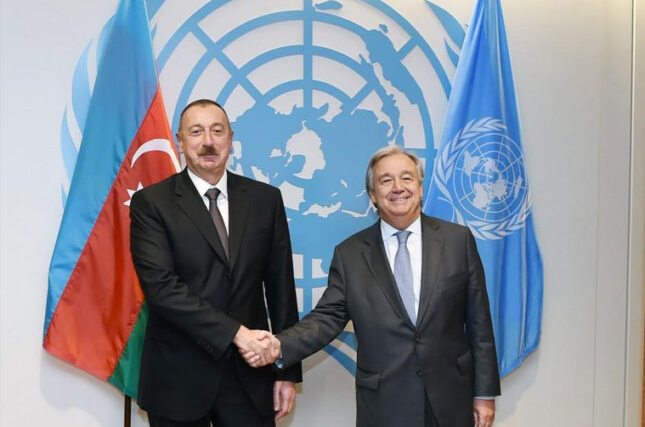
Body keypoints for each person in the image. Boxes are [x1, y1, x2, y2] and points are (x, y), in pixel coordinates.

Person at [242, 145, 500, 427]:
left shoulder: (458, 241)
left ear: (420, 187)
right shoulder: (350, 255)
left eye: (407, 178)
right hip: (385, 405)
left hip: (451, 398)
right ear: (373, 195)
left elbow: (480, 324)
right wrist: (279, 346)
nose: (398, 187)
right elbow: (325, 319)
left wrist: (484, 394)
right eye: (386, 180)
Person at [129, 99, 302, 427]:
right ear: (180, 142)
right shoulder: (151, 203)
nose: (208, 141)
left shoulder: (265, 199)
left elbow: (281, 290)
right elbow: (162, 289)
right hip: (177, 380)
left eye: (217, 131)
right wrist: (237, 334)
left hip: (250, 379)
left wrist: (286, 371)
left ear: (230, 139)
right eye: (196, 132)